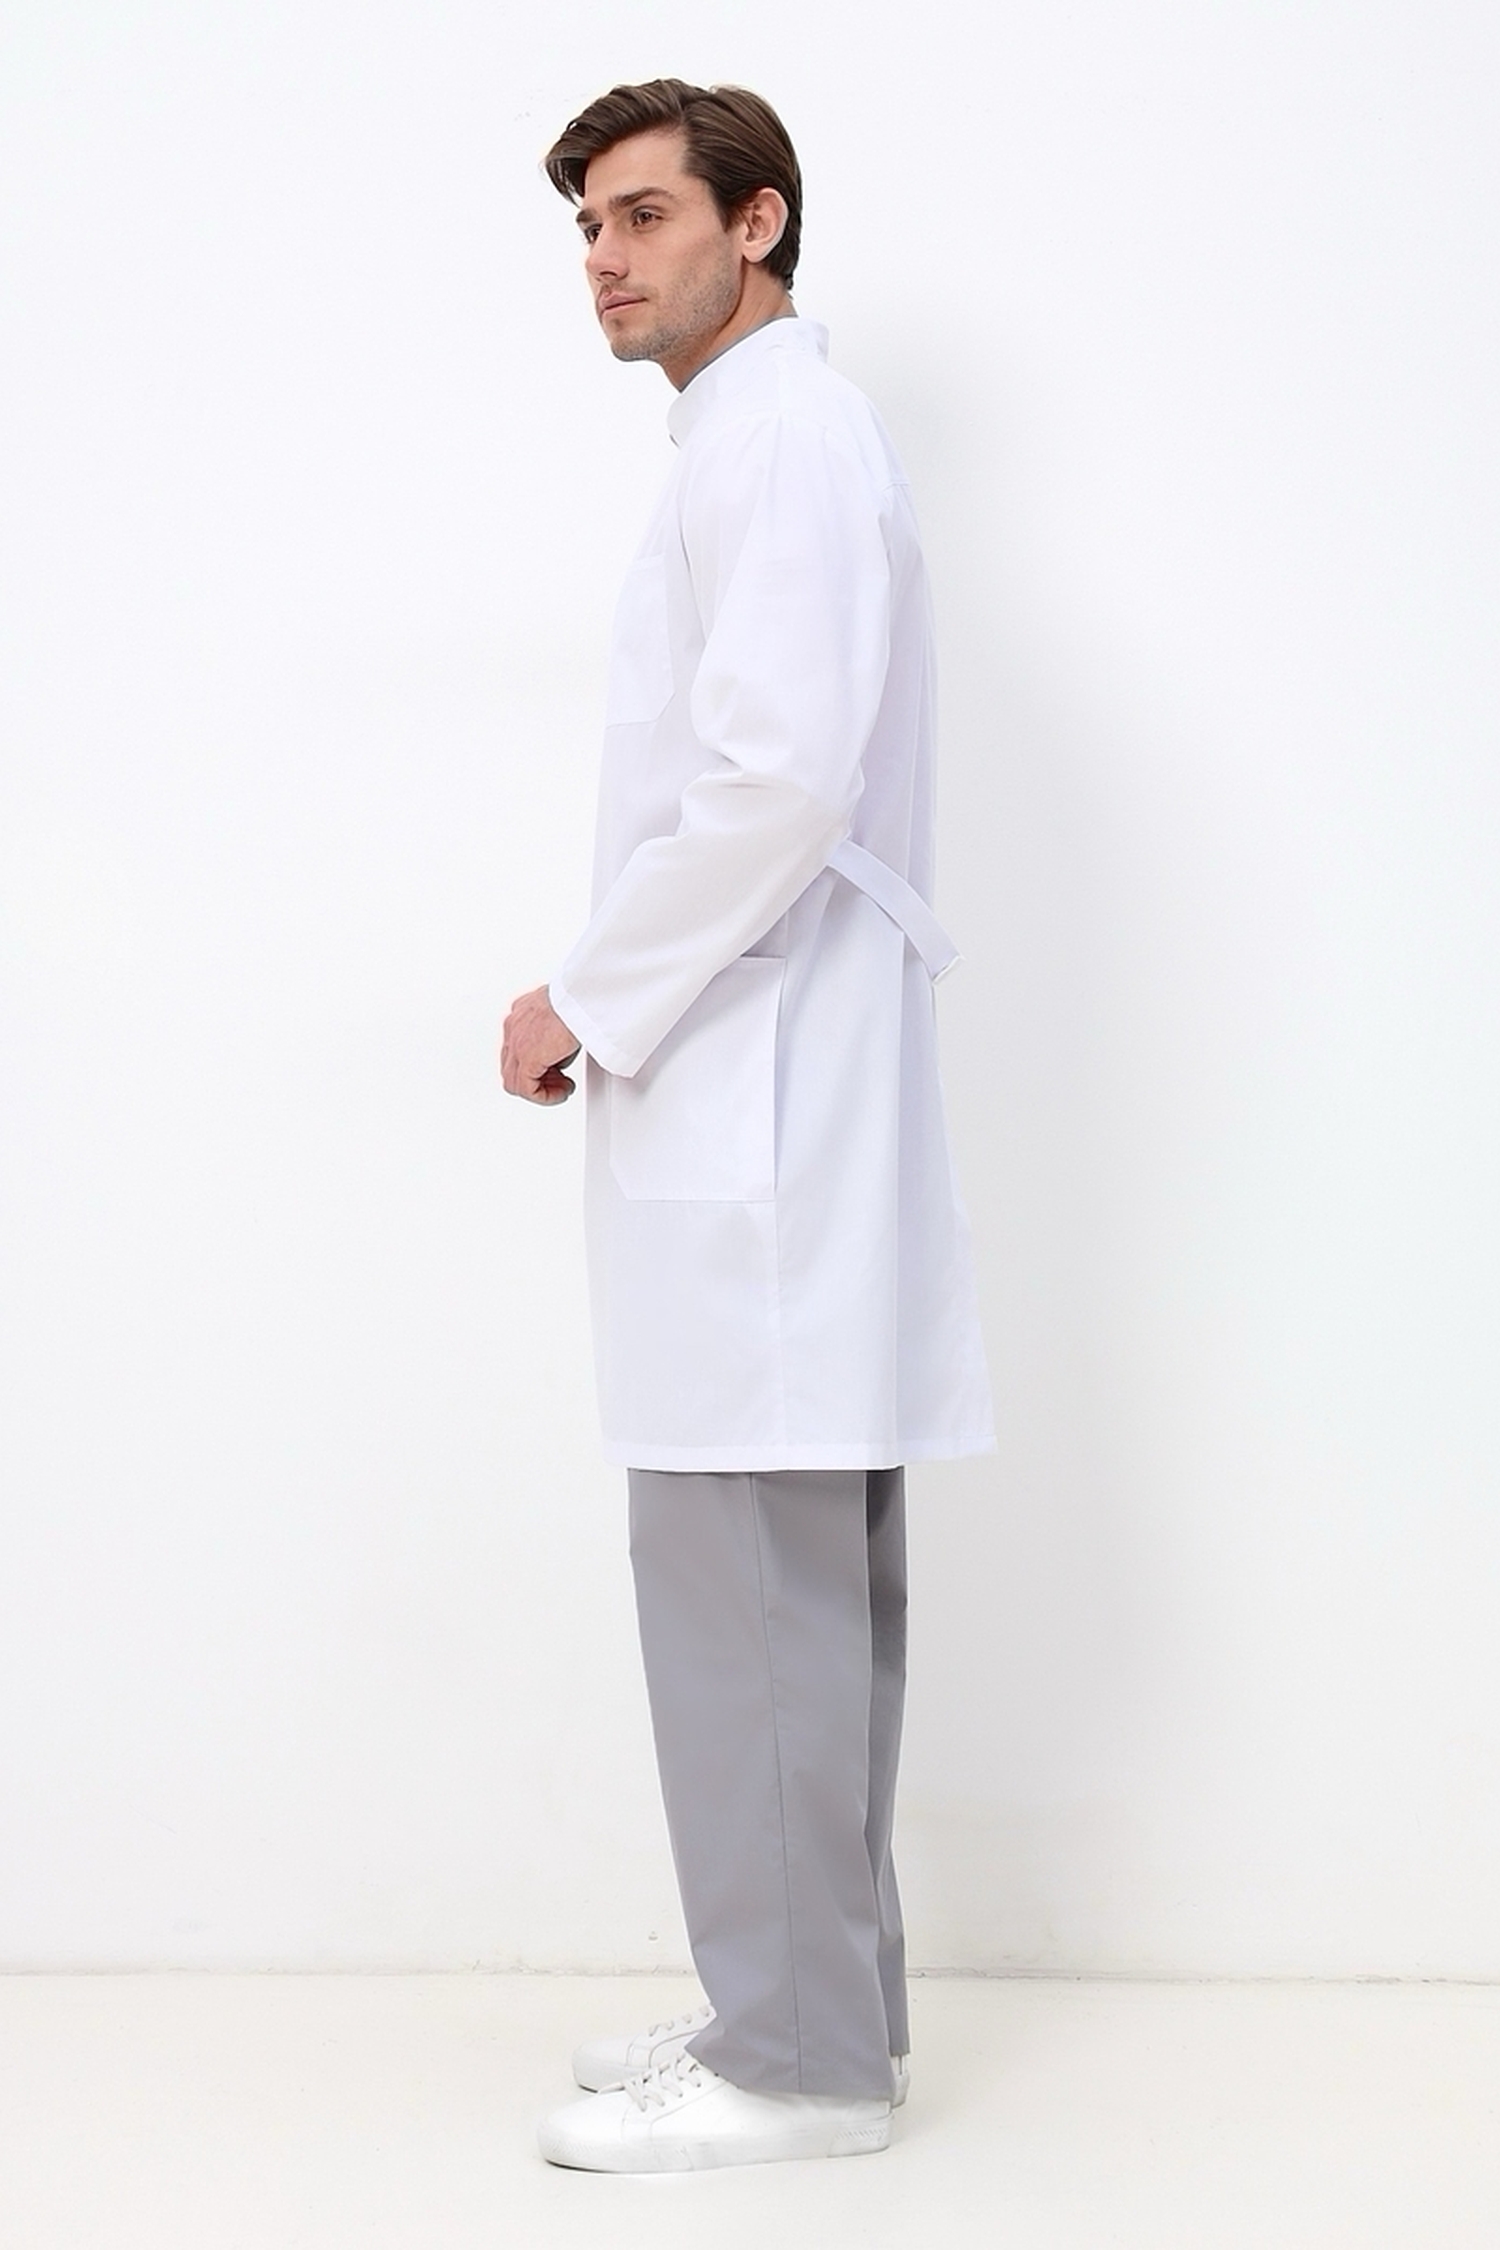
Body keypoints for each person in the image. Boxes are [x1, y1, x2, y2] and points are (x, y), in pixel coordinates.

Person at [500, 77, 994, 2174]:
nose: (605, 260)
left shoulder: (780, 437)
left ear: (757, 221)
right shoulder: (766, 437)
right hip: (777, 1090)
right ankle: (805, 2008)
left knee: (753, 1591)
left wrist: (586, 995)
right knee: (792, 1595)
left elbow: (775, 780)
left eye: (643, 215)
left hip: (760, 1089)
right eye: (587, 229)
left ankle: (794, 2066)